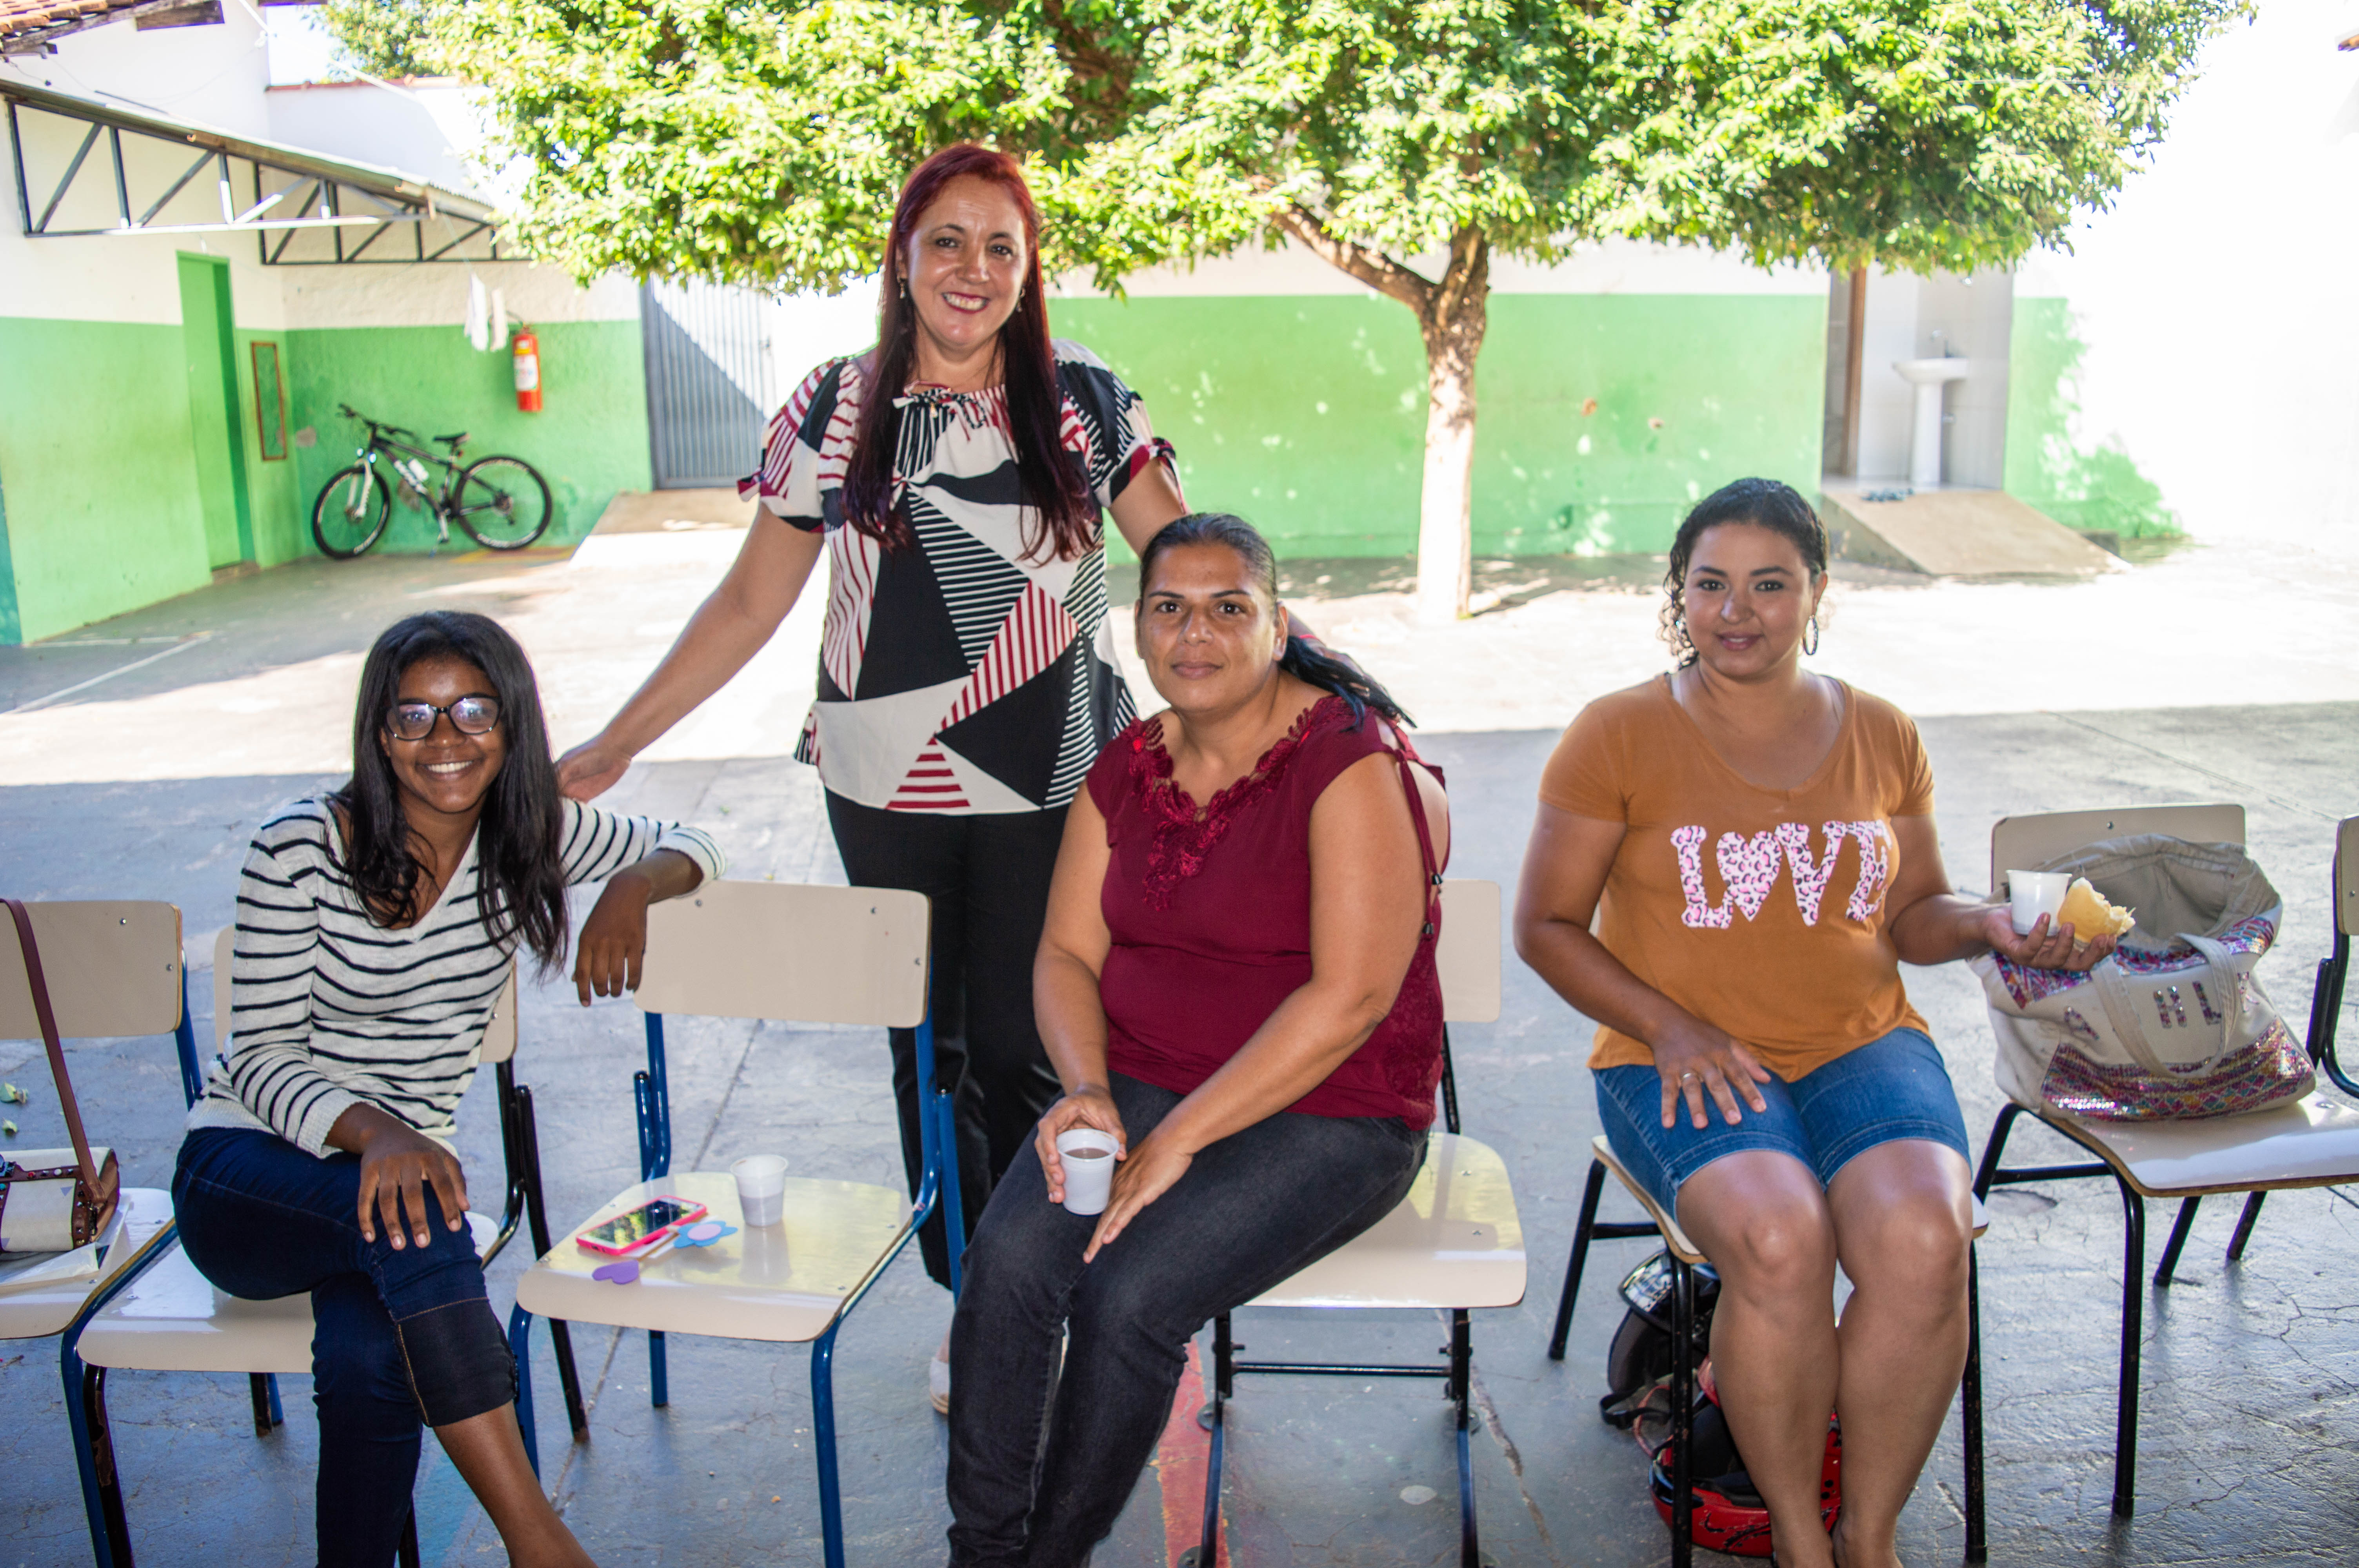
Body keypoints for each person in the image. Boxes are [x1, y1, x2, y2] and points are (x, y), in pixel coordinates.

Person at [557, 146, 1189, 1407]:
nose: (973, 270)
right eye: (947, 241)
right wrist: (621, 739)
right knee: (933, 1052)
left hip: (1056, 783)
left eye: (1000, 247)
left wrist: (1301, 685)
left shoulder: (1083, 404)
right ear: (903, 258)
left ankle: (1037, 1288)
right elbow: (751, 599)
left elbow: (1189, 564)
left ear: (1028, 270)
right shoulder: (834, 410)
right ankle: (975, 1307)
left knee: (1031, 1044)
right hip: (883, 788)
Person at [1512, 479, 2115, 1568]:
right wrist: (1672, 1026)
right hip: (1673, 1057)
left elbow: (1913, 917)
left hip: (1860, 1041)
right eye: (1711, 585)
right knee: (1782, 1240)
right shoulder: (1617, 732)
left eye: (1770, 585)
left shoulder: (1882, 731)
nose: (1737, 611)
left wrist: (1988, 924)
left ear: (1817, 592)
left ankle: (1868, 1538)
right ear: (1678, 595)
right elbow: (1547, 927)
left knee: (1928, 1240)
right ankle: (1798, 1537)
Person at [942, 513, 1450, 1567]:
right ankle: (983, 1552)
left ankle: (1051, 1557)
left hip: (1335, 1110)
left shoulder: (1346, 760)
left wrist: (1175, 1141)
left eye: (1231, 608)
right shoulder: (1127, 764)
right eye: (1170, 608)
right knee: (1008, 1265)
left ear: (1277, 623)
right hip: (1140, 1081)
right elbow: (1066, 957)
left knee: (1129, 1297)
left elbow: (1352, 999)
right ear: (1138, 626)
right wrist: (1087, 1090)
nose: (1196, 634)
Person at [174, 611, 724, 1568]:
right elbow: (257, 1052)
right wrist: (377, 1131)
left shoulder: (526, 836)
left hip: (393, 1201)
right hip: (247, 1171)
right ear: (376, 732)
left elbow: (698, 838)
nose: (445, 739)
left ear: (512, 723)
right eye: (413, 715)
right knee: (423, 1218)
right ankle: (537, 1538)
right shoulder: (300, 845)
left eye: (472, 709)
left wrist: (634, 883)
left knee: (370, 1357)